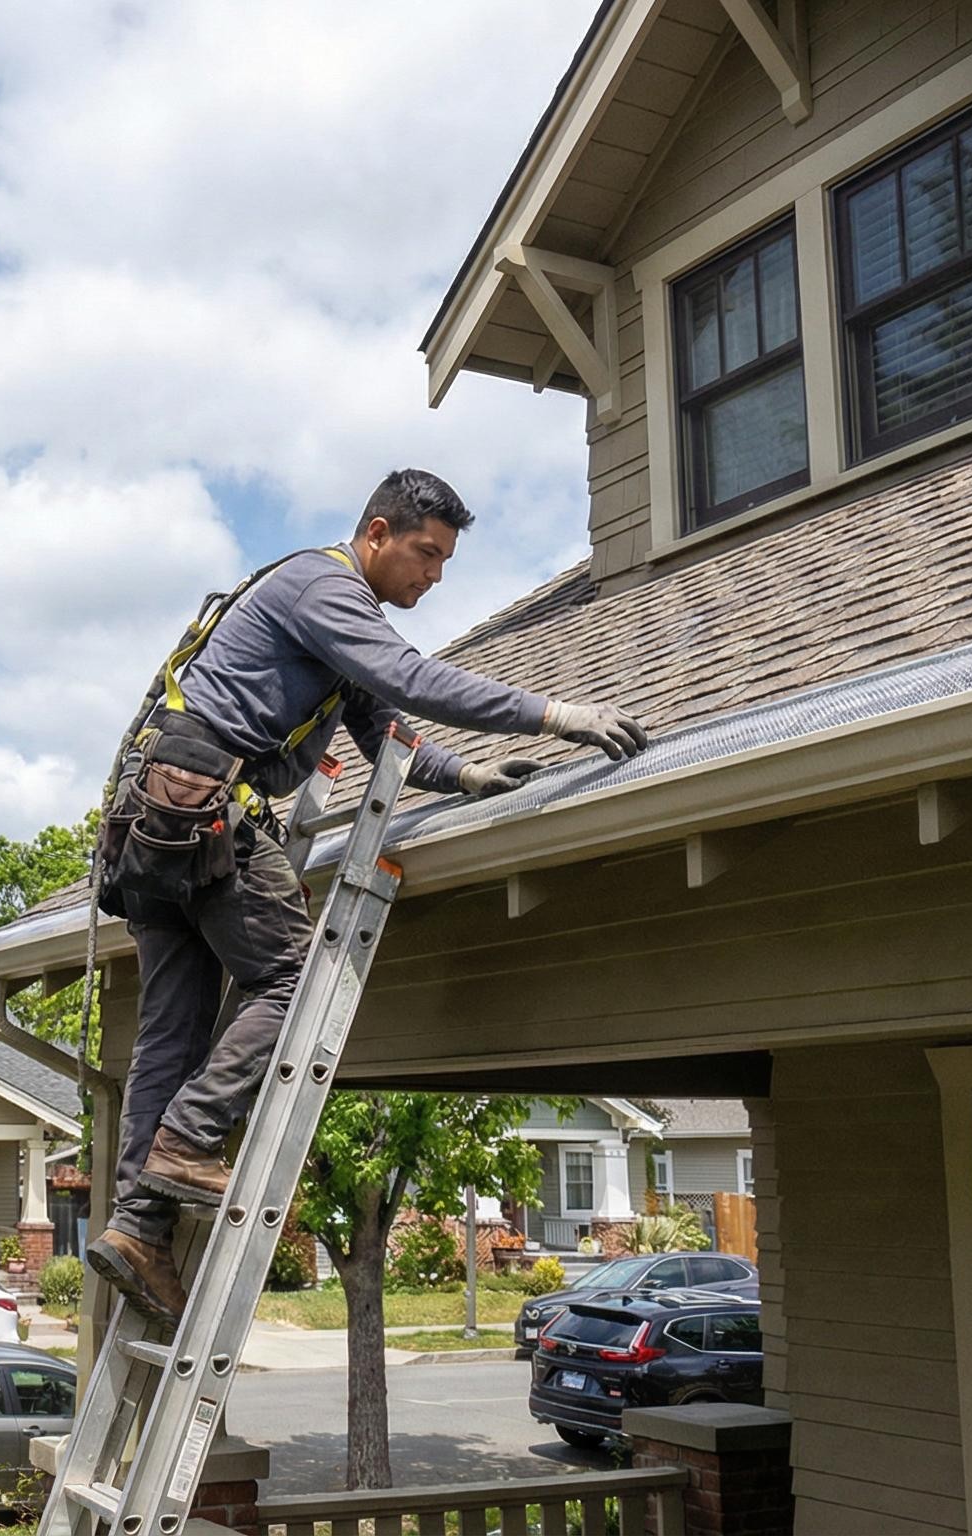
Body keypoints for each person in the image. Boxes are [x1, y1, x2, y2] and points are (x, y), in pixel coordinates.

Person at [83, 468, 649, 1322]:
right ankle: (187, 1143)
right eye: (426, 552)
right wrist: (557, 713)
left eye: (446, 561)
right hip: (203, 806)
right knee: (294, 979)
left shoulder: (331, 633)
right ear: (377, 533)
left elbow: (387, 729)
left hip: (158, 817)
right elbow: (413, 678)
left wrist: (465, 775)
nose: (435, 575)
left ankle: (137, 1229)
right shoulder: (325, 587)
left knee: (172, 1031)